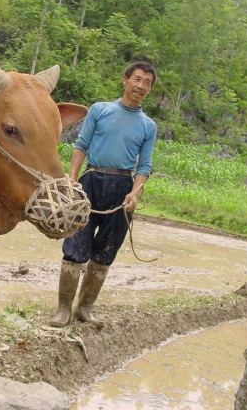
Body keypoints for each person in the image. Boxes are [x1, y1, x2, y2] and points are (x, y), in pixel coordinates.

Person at [49, 62, 158, 328]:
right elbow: (81, 145)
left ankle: (84, 308)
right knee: (75, 247)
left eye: (147, 83)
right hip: (90, 181)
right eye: (137, 79)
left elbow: (144, 165)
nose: (141, 86)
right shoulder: (100, 109)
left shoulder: (148, 126)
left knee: (105, 252)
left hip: (122, 188)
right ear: (125, 80)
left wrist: (135, 193)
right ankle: (63, 310)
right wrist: (72, 181)